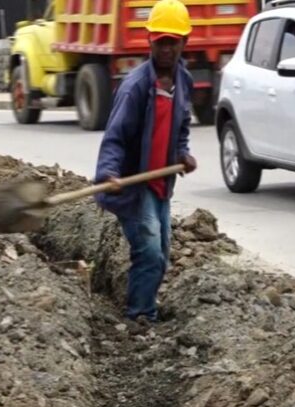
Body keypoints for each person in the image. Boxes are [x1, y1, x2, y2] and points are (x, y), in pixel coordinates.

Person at [94, 0, 198, 323]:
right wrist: (108, 172)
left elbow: (180, 126)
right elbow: (115, 137)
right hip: (134, 184)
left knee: (163, 252)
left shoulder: (184, 81)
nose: (167, 49)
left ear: (184, 43)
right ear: (149, 41)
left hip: (159, 183)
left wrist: (182, 153)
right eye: (161, 41)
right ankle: (140, 315)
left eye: (173, 42)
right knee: (150, 253)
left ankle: (142, 305)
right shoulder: (135, 87)